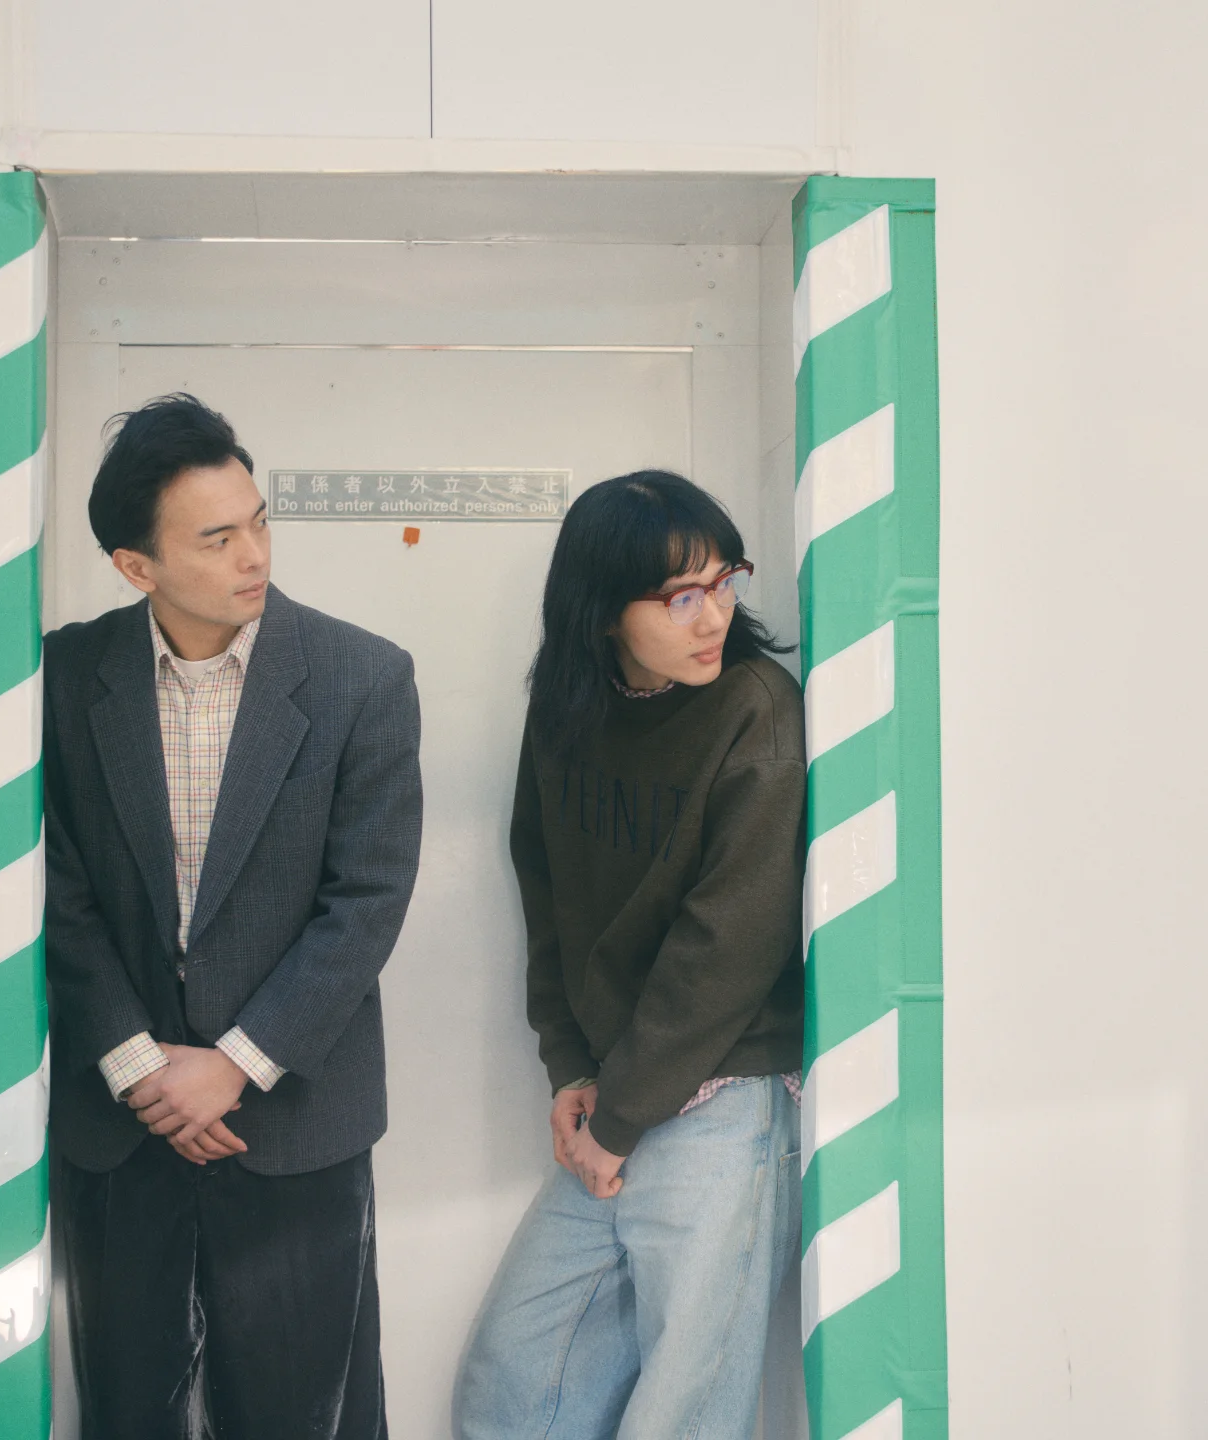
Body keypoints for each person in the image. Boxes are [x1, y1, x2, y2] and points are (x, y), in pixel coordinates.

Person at [43, 393, 422, 1439]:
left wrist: (238, 1062)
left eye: (258, 521)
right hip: (122, 1121)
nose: (254, 554)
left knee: (305, 1411)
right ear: (137, 566)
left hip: (294, 1113)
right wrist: (139, 1065)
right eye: (216, 538)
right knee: (129, 1404)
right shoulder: (64, 677)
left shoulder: (362, 676)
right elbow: (56, 892)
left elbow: (368, 900)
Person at [453, 470, 806, 1438]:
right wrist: (572, 1069)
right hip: (614, 1094)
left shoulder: (757, 709)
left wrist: (615, 1119)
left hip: (727, 1092)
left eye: (724, 582)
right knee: (511, 1391)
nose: (714, 617)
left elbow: (731, 943)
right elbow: (546, 894)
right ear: (605, 611)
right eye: (681, 597)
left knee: (684, 1413)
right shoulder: (566, 711)